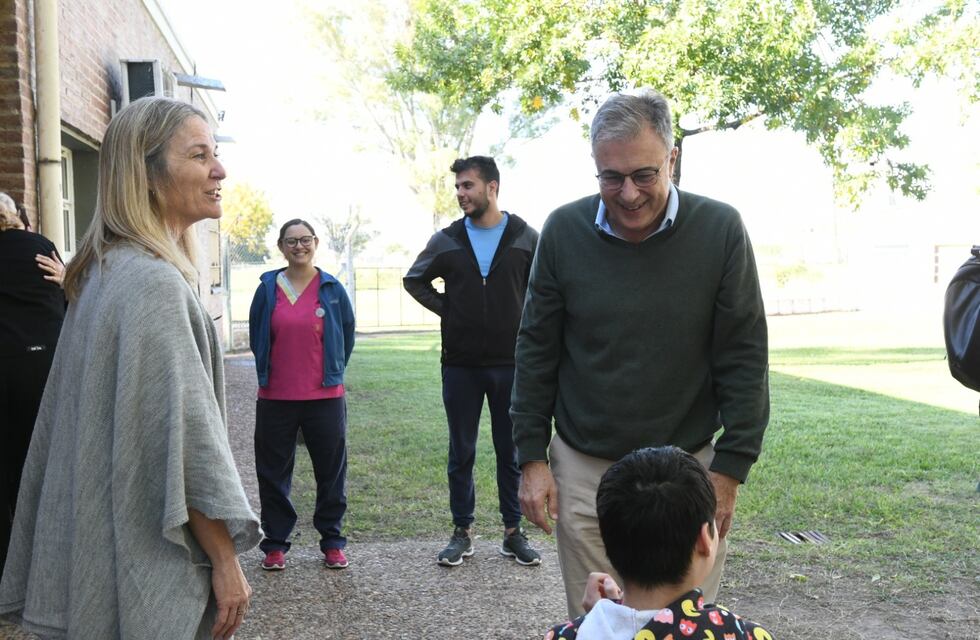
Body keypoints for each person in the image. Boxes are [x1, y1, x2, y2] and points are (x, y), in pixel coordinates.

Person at [0, 97, 260, 640]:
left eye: (214, 153)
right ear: (147, 173)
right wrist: (224, 559)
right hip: (149, 548)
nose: (219, 170)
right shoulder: (152, 284)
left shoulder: (105, 270)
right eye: (199, 155)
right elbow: (183, 442)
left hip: (113, 531)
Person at [512, 89, 770, 614]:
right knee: (600, 621)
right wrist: (533, 459)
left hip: (688, 470)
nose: (627, 193)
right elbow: (536, 349)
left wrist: (730, 470)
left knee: (682, 623)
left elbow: (744, 354)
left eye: (644, 174)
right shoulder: (562, 231)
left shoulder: (720, 229)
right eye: (611, 177)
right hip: (586, 469)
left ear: (672, 158)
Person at [404, 156, 541, 567]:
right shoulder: (446, 240)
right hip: (460, 365)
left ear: (491, 187)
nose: (461, 194)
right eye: (458, 187)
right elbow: (414, 279)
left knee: (509, 452)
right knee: (461, 451)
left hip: (510, 364)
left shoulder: (525, 237)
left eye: (468, 186)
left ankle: (513, 533)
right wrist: (451, 310)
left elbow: (544, 288)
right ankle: (461, 532)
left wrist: (526, 321)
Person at [545, 447, 774, 639]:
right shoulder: (740, 634)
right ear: (704, 539)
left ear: (607, 538)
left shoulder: (565, 635)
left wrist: (599, 621)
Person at [248, 219, 355, 571]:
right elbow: (258, 335)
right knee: (273, 472)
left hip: (325, 397)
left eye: (305, 240)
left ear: (316, 243)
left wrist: (332, 370)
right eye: (291, 241)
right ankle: (275, 544)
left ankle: (332, 541)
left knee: (331, 472)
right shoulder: (267, 288)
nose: (299, 246)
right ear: (281, 247)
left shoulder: (332, 288)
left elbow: (347, 334)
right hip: (276, 396)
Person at [0, 193, 65, 581]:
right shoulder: (40, 246)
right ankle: (46, 564)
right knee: (40, 462)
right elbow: (66, 298)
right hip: (44, 366)